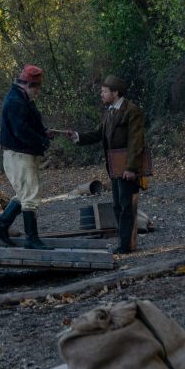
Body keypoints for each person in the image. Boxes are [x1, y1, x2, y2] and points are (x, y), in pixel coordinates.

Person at [70, 76, 147, 255]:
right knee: (117, 205)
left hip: (127, 167)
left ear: (115, 93)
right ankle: (124, 241)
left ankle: (126, 245)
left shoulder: (132, 111)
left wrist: (131, 168)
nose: (101, 95)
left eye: (104, 92)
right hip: (114, 167)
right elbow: (98, 134)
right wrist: (76, 136)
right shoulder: (110, 111)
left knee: (126, 204)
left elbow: (136, 142)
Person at [0, 65, 58, 251]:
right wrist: (42, 141)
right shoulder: (16, 102)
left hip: (20, 154)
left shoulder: (20, 99)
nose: (38, 92)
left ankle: (0, 227)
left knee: (24, 195)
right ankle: (31, 239)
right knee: (30, 197)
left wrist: (43, 132)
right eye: (37, 88)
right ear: (28, 85)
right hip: (19, 154)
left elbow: (26, 125)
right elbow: (21, 131)